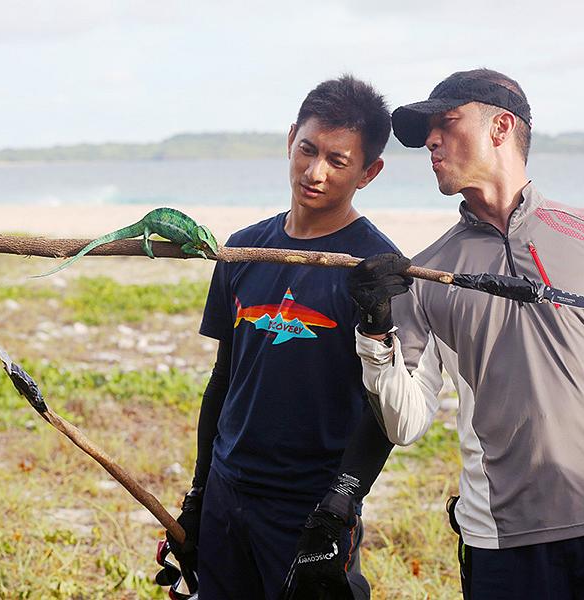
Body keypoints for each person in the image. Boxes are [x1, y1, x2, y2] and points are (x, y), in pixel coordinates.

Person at [347, 69, 584, 599]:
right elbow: (405, 421)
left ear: (501, 126)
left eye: (447, 122)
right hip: (500, 541)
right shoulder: (426, 273)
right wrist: (374, 331)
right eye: (428, 131)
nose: (432, 141)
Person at [165, 75, 401, 600]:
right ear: (291, 137)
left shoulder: (373, 271)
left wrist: (342, 502)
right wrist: (200, 491)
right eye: (306, 150)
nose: (314, 172)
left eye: (338, 161)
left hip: (309, 505)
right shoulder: (243, 251)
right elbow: (224, 379)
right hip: (229, 492)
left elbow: (383, 407)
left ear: (370, 172)